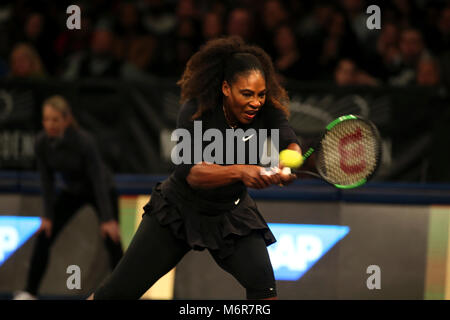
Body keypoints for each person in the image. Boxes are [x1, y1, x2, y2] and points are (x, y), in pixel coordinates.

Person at [89, 36, 302, 300]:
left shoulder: (265, 110)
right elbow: (192, 173)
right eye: (246, 94)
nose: (255, 102)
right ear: (226, 88)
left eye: (260, 94)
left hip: (231, 214)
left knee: (265, 291)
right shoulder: (195, 111)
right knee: (115, 294)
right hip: (178, 210)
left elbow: (289, 141)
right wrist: (241, 171)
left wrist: (287, 161)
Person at [14, 95, 123, 300]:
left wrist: (107, 219)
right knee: (45, 233)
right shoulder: (41, 143)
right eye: (46, 119)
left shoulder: (84, 141)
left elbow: (98, 179)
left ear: (66, 120)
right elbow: (47, 182)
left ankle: (127, 291)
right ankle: (29, 292)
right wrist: (47, 216)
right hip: (72, 191)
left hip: (100, 190)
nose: (50, 124)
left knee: (112, 238)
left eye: (55, 119)